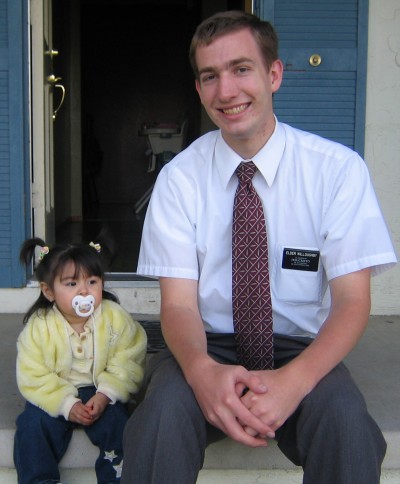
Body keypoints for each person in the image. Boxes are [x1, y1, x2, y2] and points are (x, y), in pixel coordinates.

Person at [121, 10, 397, 484]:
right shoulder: (179, 179)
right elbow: (180, 306)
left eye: (241, 69)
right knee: (159, 420)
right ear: (199, 89)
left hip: (300, 350)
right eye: (210, 76)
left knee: (347, 427)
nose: (226, 92)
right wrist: (202, 372)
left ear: (274, 74)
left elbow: (352, 302)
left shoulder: (336, 171)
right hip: (209, 345)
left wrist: (294, 382)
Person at [14, 236, 147, 484]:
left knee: (119, 424)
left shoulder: (114, 318)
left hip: (100, 391)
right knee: (32, 426)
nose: (84, 291)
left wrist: (107, 394)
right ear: (48, 291)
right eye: (72, 283)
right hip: (55, 393)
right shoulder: (39, 327)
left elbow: (129, 356)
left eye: (92, 281)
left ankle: (117, 478)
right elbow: (32, 373)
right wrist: (66, 404)